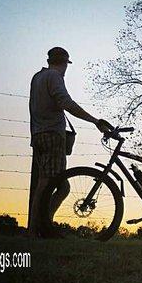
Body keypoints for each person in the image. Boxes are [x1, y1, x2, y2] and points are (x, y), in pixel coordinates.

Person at [28, 46, 112, 237]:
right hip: (52, 135)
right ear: (65, 63)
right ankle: (36, 231)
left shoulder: (37, 77)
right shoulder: (55, 77)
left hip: (38, 134)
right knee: (45, 184)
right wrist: (94, 120)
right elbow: (66, 102)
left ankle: (43, 226)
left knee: (61, 186)